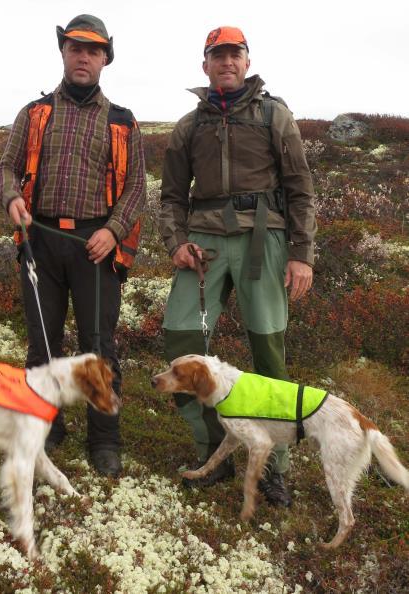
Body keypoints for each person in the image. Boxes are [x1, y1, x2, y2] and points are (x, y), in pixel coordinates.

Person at [159, 26, 316, 505]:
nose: (227, 62)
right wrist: (177, 243)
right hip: (204, 243)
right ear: (204, 64)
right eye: (217, 55)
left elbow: (300, 186)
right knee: (181, 336)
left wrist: (300, 253)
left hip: (261, 240)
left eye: (235, 54)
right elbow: (170, 196)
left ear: (247, 62)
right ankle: (214, 452)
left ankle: (274, 467)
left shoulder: (274, 115)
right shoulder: (189, 125)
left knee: (268, 352)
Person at [0, 14, 146, 477]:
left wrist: (114, 230)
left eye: (93, 50)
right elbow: (5, 168)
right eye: (75, 47)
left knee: (98, 346)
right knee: (43, 345)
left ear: (105, 59)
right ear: (63, 52)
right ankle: (47, 424)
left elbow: (137, 187)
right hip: (39, 241)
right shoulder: (34, 112)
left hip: (95, 247)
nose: (83, 56)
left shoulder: (123, 121)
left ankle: (104, 439)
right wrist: (12, 198)